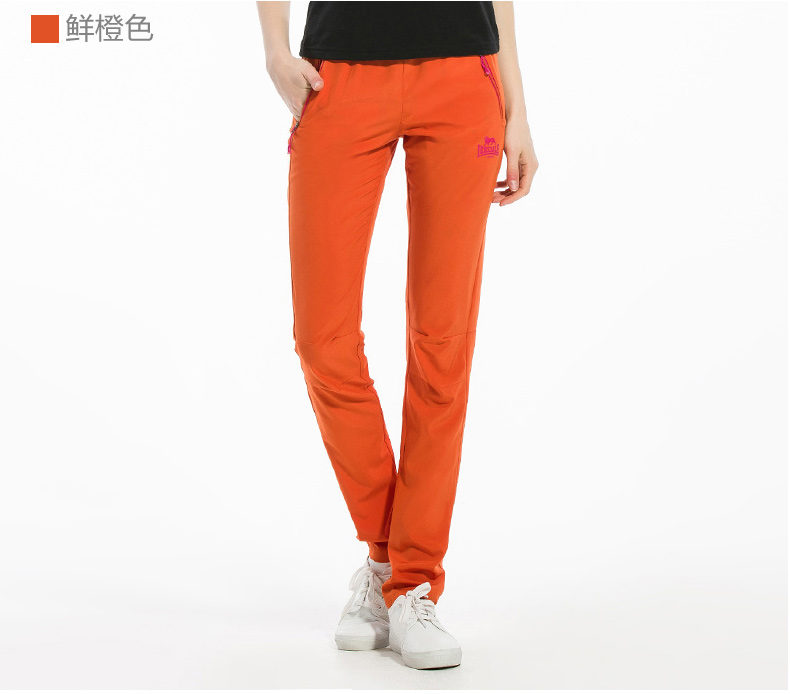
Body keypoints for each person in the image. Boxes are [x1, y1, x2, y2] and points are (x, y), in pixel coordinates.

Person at [257, 0, 538, 670]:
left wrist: (516, 107)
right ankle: (390, 556)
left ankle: (412, 583)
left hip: (464, 80)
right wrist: (275, 50)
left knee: (443, 342)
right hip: (339, 78)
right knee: (321, 338)